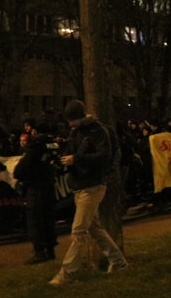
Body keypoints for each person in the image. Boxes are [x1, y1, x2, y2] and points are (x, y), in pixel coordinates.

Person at [48, 100, 128, 286]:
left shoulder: (97, 131)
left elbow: (103, 157)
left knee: (79, 230)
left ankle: (67, 273)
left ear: (79, 117)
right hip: (82, 185)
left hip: (92, 185)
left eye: (71, 120)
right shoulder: (77, 132)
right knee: (94, 228)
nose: (70, 125)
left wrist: (76, 159)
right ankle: (118, 262)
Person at [13, 123, 59, 265]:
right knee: (48, 219)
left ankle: (39, 252)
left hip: (35, 187)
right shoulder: (53, 145)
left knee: (35, 220)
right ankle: (50, 250)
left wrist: (21, 176)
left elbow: (21, 169)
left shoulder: (35, 147)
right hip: (49, 186)